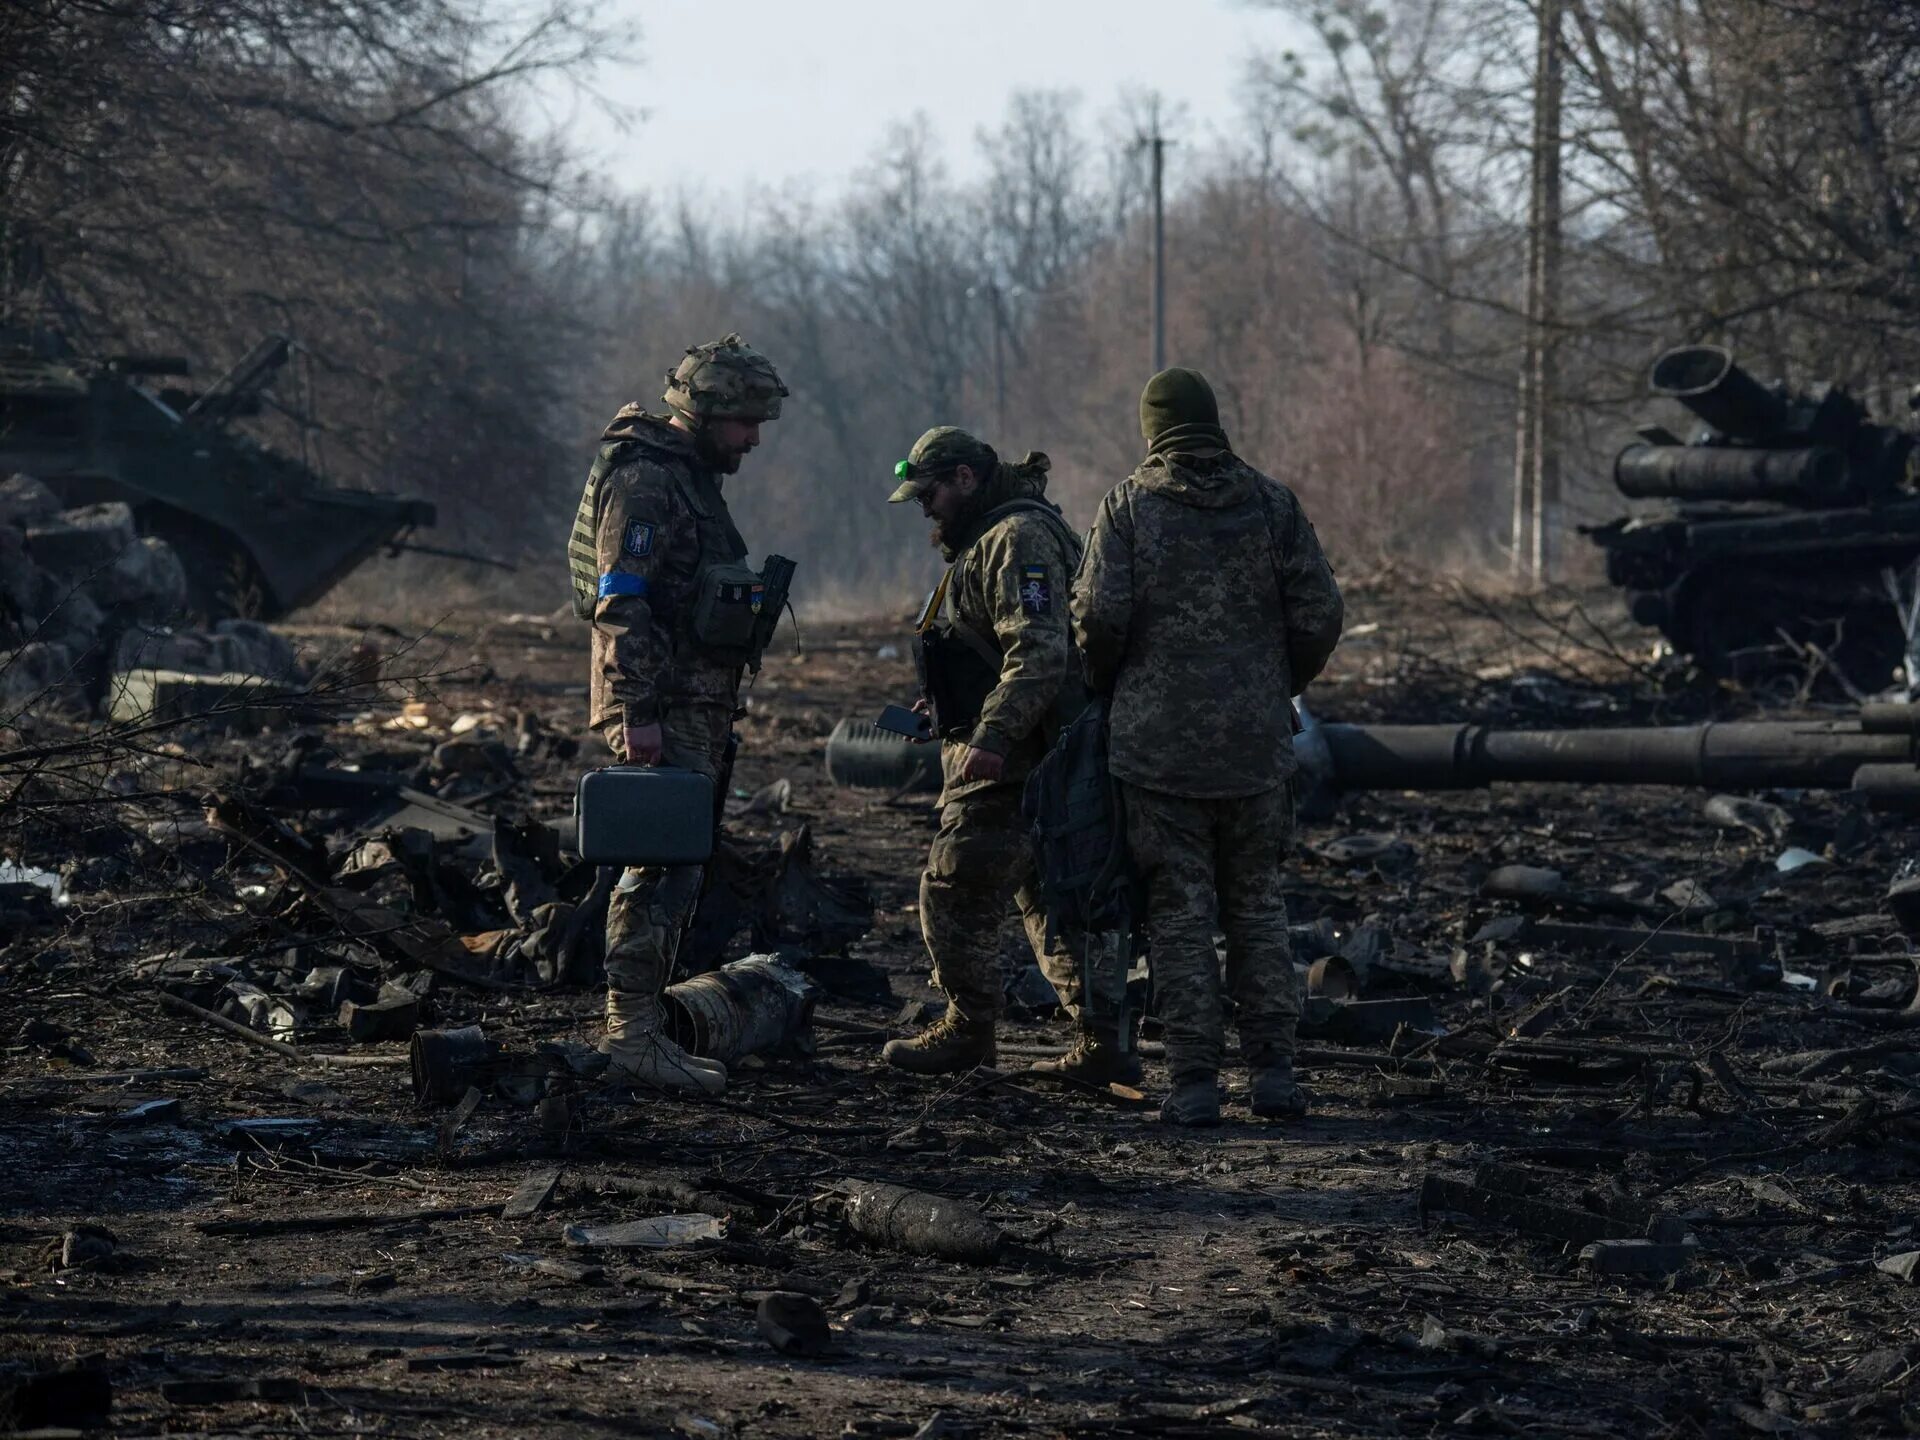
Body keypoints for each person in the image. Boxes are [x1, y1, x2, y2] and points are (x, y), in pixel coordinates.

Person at [1070, 368, 1343, 1126]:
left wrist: (1111, 685)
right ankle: (1275, 1077)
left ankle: (1194, 1085)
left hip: (1158, 753)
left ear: (1153, 427)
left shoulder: (1129, 507)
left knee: (1179, 912)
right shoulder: (1271, 504)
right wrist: (1272, 679)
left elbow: (1096, 616)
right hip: (1256, 746)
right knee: (1256, 905)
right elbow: (1320, 612)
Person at [565, 333, 789, 1097]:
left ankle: (645, 1022)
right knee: (657, 867)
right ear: (708, 412)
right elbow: (620, 599)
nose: (754, 439)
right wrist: (635, 713)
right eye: (745, 422)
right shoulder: (649, 482)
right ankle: (630, 1033)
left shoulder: (690, 479)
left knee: (679, 865)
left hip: (690, 702)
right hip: (659, 706)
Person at [882, 426, 1133, 1080]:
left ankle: (969, 1029)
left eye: (929, 492)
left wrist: (991, 739)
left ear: (965, 478)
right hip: (1022, 750)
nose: (925, 507)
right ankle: (1104, 1043)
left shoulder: (1015, 539)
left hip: (1021, 757)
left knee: (954, 885)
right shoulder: (988, 540)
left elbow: (1040, 653)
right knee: (1049, 898)